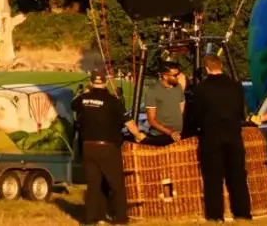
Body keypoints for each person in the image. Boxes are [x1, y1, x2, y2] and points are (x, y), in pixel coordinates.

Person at [72, 72, 148, 225]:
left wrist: (86, 93)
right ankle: (120, 218)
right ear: (105, 82)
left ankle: (93, 218)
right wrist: (139, 135)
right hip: (107, 147)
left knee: (93, 184)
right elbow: (128, 123)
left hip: (88, 146)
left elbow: (73, 104)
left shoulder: (83, 99)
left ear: (91, 82)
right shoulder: (114, 101)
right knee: (117, 184)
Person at [184, 55, 252, 222]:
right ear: (221, 66)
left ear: (207, 69)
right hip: (234, 135)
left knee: (213, 179)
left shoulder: (201, 89)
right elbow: (240, 111)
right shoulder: (236, 86)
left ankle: (215, 216)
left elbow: (196, 115)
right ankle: (242, 213)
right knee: (237, 176)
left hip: (211, 137)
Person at [143, 64, 187, 142]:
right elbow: (151, 120)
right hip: (160, 136)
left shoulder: (178, 88)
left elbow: (181, 110)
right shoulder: (153, 91)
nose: (178, 77)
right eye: (175, 75)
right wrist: (170, 133)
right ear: (165, 76)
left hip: (178, 135)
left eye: (178, 74)